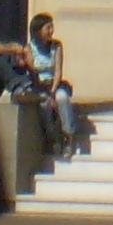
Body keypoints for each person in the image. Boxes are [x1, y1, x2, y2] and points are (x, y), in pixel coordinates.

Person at [26, 13, 82, 155]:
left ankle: (68, 135)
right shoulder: (29, 48)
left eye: (52, 27)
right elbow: (32, 73)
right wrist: (45, 93)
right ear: (38, 30)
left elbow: (58, 71)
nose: (51, 31)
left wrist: (52, 92)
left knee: (62, 98)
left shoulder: (56, 46)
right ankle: (53, 139)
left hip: (55, 84)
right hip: (39, 85)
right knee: (44, 104)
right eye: (48, 28)